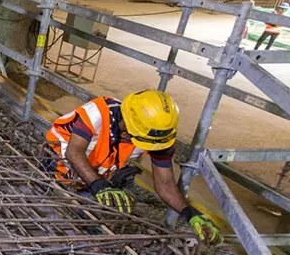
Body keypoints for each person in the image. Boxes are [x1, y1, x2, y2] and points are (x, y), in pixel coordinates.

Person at [45, 89, 223, 245]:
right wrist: (100, 186)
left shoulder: (158, 138)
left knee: (95, 219)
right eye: (129, 135)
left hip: (97, 171)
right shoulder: (97, 112)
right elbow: (73, 153)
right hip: (58, 162)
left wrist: (190, 214)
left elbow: (166, 185)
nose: (128, 139)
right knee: (54, 211)